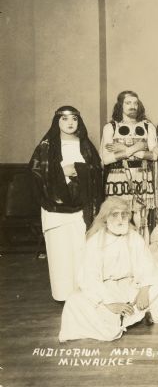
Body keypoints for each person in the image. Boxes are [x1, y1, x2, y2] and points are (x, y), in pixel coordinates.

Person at [59, 197, 158, 342]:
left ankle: (130, 315)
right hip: (105, 288)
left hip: (130, 286)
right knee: (74, 301)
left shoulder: (134, 237)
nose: (120, 219)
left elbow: (147, 265)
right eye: (115, 215)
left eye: (124, 214)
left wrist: (144, 289)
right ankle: (129, 317)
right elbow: (90, 278)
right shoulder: (95, 242)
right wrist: (110, 303)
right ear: (105, 218)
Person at [29, 106, 103, 301]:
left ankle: (82, 294)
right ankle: (63, 296)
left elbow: (96, 172)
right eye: (64, 119)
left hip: (81, 209)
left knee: (81, 251)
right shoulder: (46, 146)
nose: (70, 123)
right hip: (55, 210)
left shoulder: (85, 145)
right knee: (60, 253)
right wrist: (62, 172)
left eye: (74, 119)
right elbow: (36, 173)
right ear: (57, 122)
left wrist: (78, 170)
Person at [101, 91, 158, 242]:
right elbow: (106, 159)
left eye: (135, 103)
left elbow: (155, 155)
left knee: (142, 219)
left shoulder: (147, 126)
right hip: (118, 175)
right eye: (128, 103)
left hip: (143, 174)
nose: (133, 106)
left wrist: (125, 149)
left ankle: (142, 253)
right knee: (120, 215)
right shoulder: (111, 127)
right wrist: (138, 146)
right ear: (120, 105)